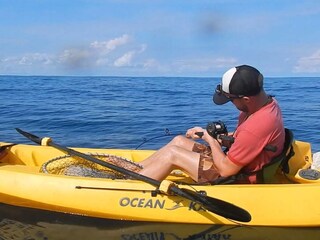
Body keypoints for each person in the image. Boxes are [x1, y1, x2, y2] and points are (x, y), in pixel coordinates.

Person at [138, 65, 285, 184]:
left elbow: (226, 171)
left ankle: (131, 186)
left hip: (237, 178)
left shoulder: (257, 125)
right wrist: (204, 133)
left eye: (231, 99)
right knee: (179, 141)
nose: (231, 104)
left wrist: (210, 139)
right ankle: (136, 171)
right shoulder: (267, 104)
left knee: (173, 155)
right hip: (236, 163)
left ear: (246, 99)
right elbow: (245, 140)